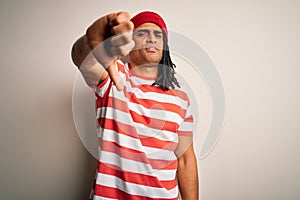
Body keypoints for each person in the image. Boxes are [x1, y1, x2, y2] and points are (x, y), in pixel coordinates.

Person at [71, 11, 199, 200]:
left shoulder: (180, 97)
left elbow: (186, 160)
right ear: (129, 43)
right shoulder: (114, 75)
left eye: (158, 34)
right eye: (142, 33)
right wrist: (93, 38)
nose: (151, 38)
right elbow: (80, 58)